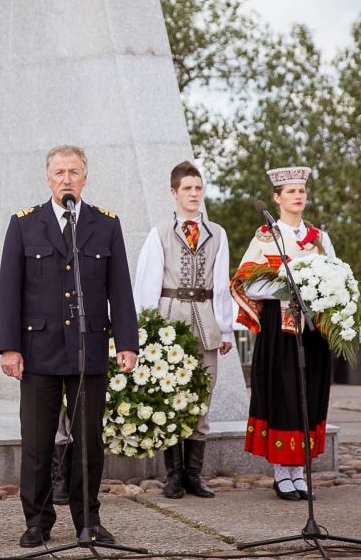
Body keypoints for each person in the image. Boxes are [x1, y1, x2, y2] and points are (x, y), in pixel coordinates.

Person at [0, 144, 138, 548]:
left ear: (85, 177)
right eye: (59, 172)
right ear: (48, 178)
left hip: (88, 348)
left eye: (74, 172)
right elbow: (10, 291)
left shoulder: (104, 224)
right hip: (38, 348)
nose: (66, 179)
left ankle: (88, 519)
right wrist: (10, 347)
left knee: (88, 442)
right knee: (38, 443)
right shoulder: (24, 224)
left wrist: (127, 342)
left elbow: (120, 289)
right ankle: (37, 521)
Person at [229, 166, 334, 501]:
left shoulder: (318, 237)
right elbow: (247, 281)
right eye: (290, 192)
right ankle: (281, 473)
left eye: (301, 191)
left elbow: (334, 273)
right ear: (277, 199)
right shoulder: (265, 236)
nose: (298, 196)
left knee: (309, 390)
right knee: (283, 392)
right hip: (280, 326)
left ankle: (300, 471)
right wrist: (286, 284)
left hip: (312, 327)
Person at [133, 161, 235, 499]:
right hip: (170, 320)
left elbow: (222, 285)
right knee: (170, 396)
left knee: (202, 398)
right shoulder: (160, 232)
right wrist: (146, 329)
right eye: (187, 189)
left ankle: (194, 475)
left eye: (198, 188)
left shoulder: (217, 233)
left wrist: (226, 330)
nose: (194, 194)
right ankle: (173, 476)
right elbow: (147, 282)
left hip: (206, 320)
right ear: (174, 192)